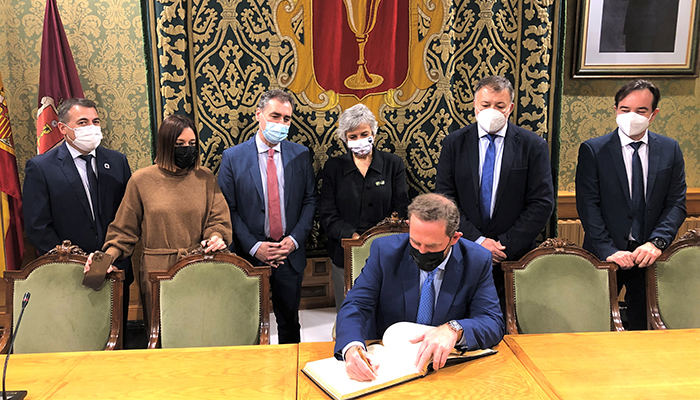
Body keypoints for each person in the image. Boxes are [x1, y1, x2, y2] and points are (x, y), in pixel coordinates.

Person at [335, 193, 504, 382]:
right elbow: (356, 305)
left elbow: (492, 321)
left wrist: (454, 330)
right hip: (385, 364)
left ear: (454, 238)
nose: (421, 251)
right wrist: (352, 348)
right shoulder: (384, 252)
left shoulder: (476, 260)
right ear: (409, 226)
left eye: (432, 246)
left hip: (445, 370)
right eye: (415, 242)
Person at [87, 114, 232, 326]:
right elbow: (123, 232)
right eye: (179, 144)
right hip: (158, 272)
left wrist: (216, 236)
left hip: (199, 267)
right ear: (165, 145)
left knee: (200, 329)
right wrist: (102, 262)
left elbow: (218, 220)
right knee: (162, 333)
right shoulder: (141, 180)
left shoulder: (205, 177)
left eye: (192, 144)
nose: (187, 149)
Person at [435, 75, 554, 313]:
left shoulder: (533, 145)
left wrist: (503, 245)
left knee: (507, 322)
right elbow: (445, 199)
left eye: (499, 106)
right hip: (463, 250)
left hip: (512, 257)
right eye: (485, 104)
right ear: (475, 106)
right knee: (459, 320)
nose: (492, 111)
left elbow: (541, 203)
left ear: (510, 107)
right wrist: (478, 242)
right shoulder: (454, 143)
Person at [576, 79, 686, 330]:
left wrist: (657, 243)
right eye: (625, 109)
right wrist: (608, 250)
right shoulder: (593, 150)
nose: (631, 116)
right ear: (615, 110)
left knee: (646, 329)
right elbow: (588, 205)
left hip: (649, 257)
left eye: (641, 110)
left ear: (653, 114)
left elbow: (676, 203)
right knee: (595, 327)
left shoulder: (670, 149)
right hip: (604, 256)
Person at [218, 89, 317, 344]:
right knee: (248, 324)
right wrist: (255, 246)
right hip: (249, 257)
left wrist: (293, 241)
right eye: (275, 116)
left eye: (287, 119)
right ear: (258, 115)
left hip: (288, 255)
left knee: (289, 323)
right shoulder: (233, 157)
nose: (281, 123)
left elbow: (310, 201)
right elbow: (227, 209)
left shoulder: (301, 154)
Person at [23, 98, 134, 324]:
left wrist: (111, 256)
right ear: (63, 128)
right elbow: (37, 227)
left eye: (95, 121)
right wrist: (75, 262)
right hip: (69, 274)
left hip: (115, 269)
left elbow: (129, 216)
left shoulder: (117, 162)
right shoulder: (41, 167)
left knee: (118, 339)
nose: (91, 127)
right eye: (83, 122)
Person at [319, 103, 408, 311]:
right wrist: (355, 240)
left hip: (386, 252)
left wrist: (377, 240)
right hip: (345, 253)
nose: (359, 140)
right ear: (345, 139)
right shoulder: (333, 167)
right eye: (353, 136)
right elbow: (327, 214)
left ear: (373, 134)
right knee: (349, 312)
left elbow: (401, 206)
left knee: (385, 311)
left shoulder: (393, 164)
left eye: (364, 134)